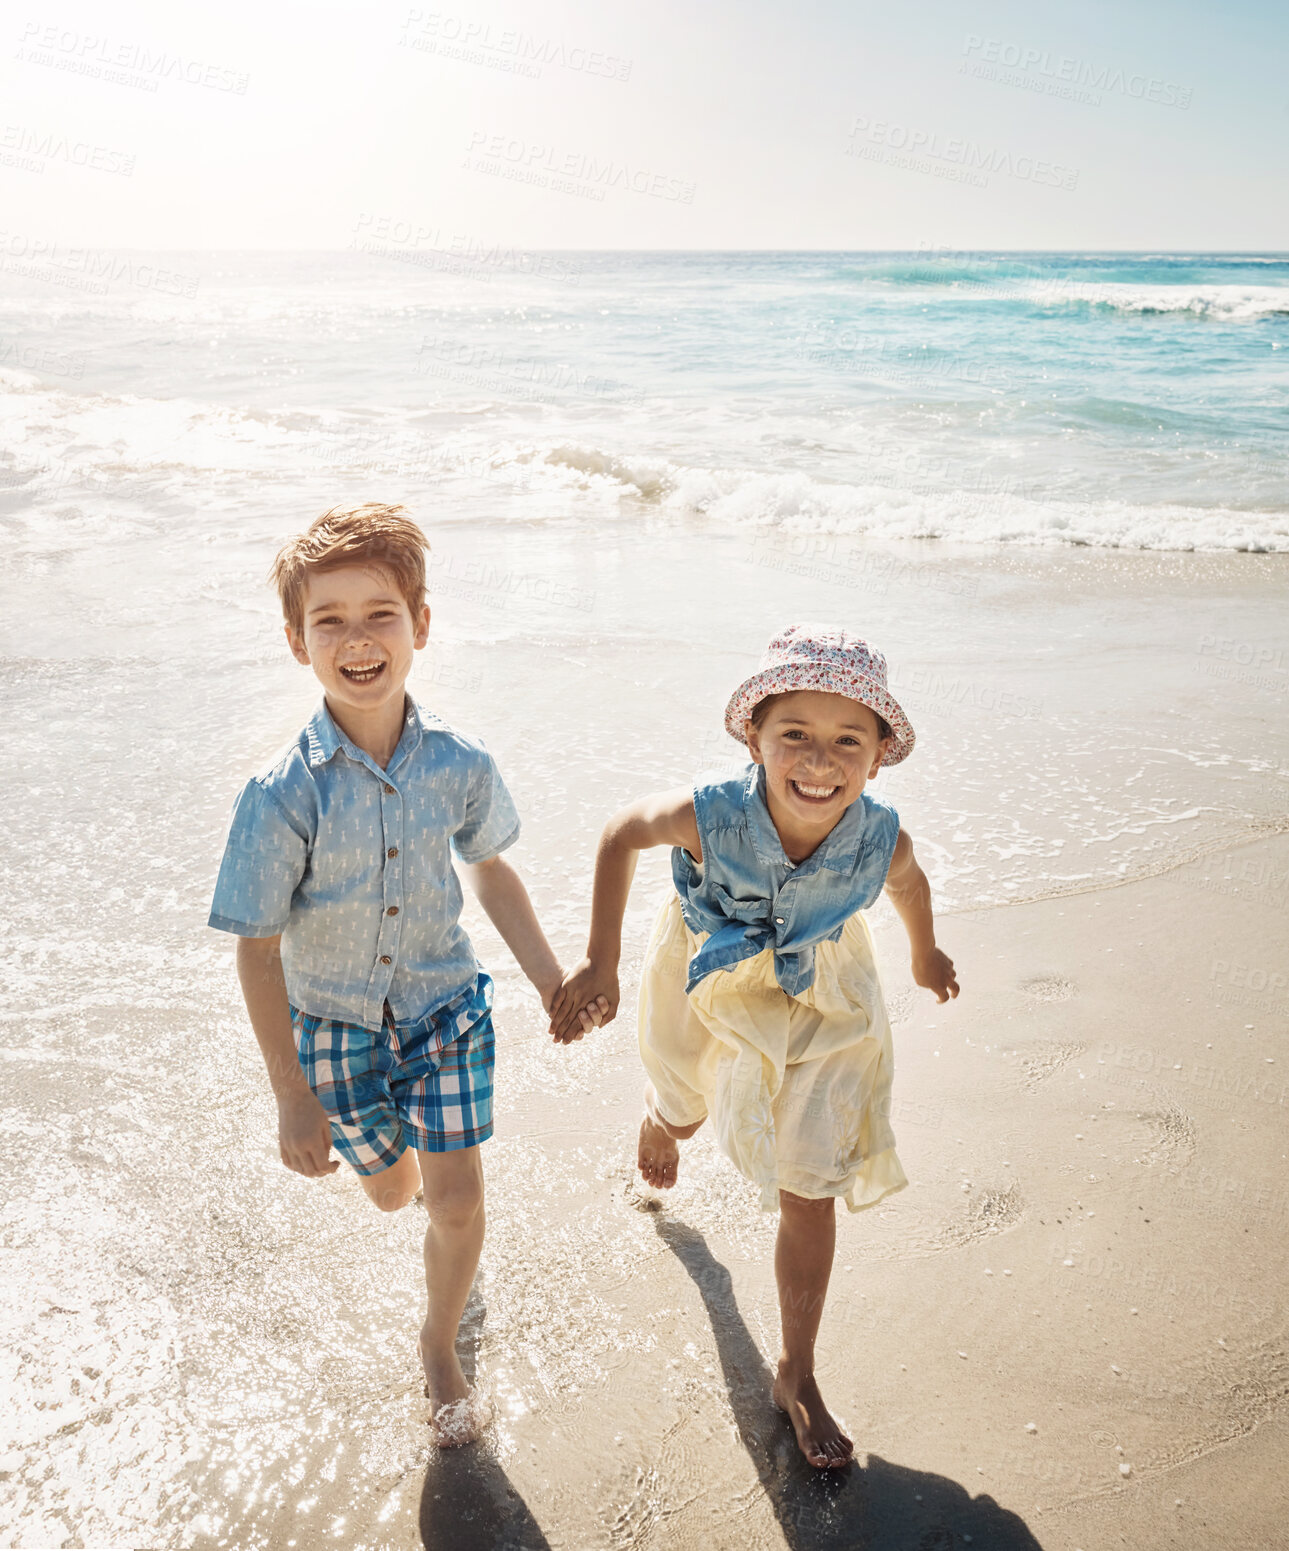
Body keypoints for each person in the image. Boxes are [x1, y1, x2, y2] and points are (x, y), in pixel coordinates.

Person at [207, 502, 600, 1446]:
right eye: (328, 619)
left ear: (420, 624)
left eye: (379, 613)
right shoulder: (280, 793)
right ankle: (406, 1183)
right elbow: (256, 947)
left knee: (458, 1196)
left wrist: (550, 978)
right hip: (332, 1026)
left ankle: (438, 1339)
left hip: (444, 1009)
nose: (356, 638)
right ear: (297, 641)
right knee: (390, 1190)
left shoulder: (458, 763)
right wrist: (292, 1096)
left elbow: (491, 867)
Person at [549, 623, 959, 1468]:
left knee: (809, 1183)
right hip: (704, 973)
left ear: (878, 755)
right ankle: (665, 1117)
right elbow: (622, 831)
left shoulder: (881, 835)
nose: (819, 761)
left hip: (822, 991)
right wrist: (601, 956)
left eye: (847, 739)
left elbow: (909, 882)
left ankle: (796, 1371)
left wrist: (922, 952)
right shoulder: (709, 814)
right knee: (690, 1107)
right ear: (754, 739)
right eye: (794, 737)